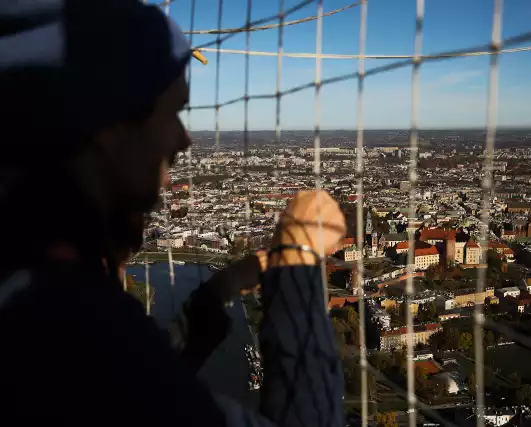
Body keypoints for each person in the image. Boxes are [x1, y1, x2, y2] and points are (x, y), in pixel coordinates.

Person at [0, 1, 347, 426]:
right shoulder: (63, 324)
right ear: (105, 121)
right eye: (174, 111)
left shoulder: (29, 282)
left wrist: (211, 300)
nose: (184, 140)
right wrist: (300, 260)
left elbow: (142, 386)